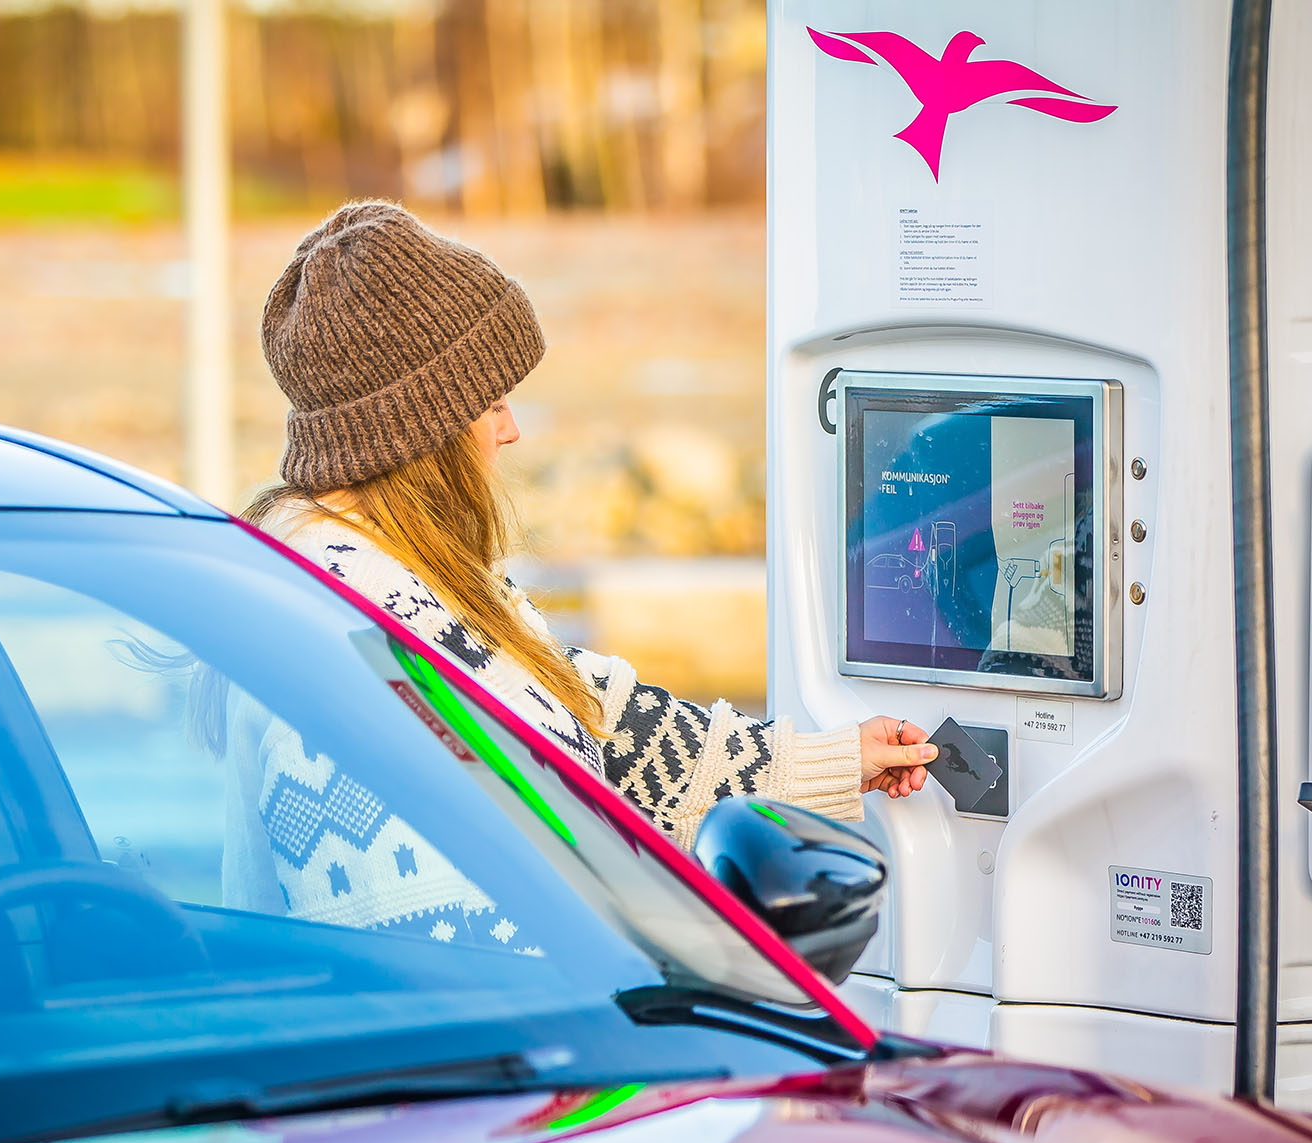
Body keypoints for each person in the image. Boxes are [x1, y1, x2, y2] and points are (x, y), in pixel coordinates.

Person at [241, 200, 937, 849]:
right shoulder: (378, 629)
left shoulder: (400, 575)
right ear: (421, 432)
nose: (511, 429)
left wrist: (834, 760)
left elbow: (596, 712)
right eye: (491, 404)